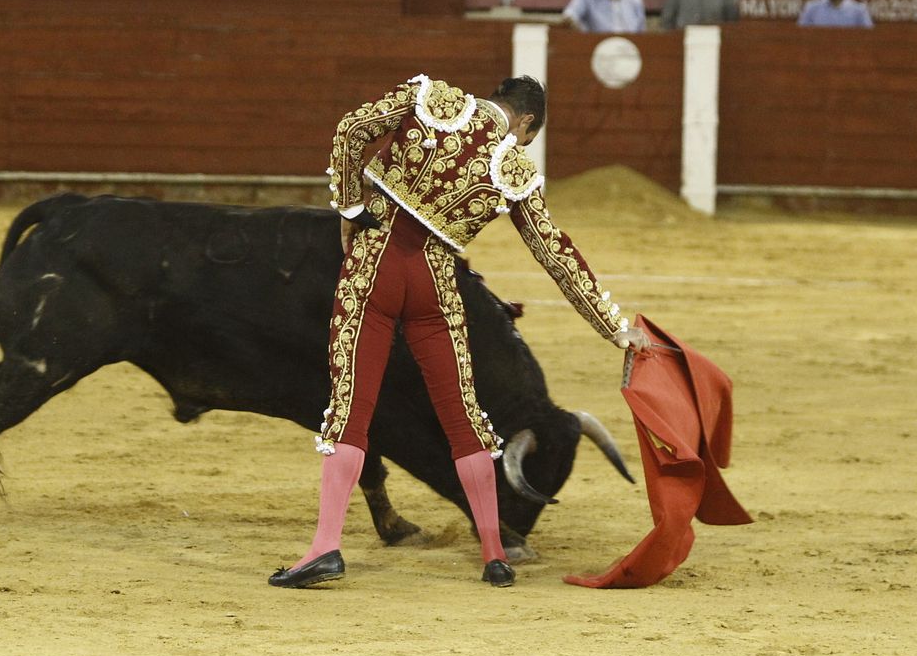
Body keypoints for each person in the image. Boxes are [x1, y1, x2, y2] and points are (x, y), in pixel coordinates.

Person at [269, 74, 641, 591]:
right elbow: (556, 255)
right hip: (436, 283)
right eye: (528, 136)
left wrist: (352, 208)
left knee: (352, 408)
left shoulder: (433, 97)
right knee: (464, 417)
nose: (523, 144)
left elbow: (351, 130)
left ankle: (325, 548)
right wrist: (615, 329)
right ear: (526, 120)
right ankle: (493, 555)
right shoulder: (514, 168)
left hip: (375, 264)